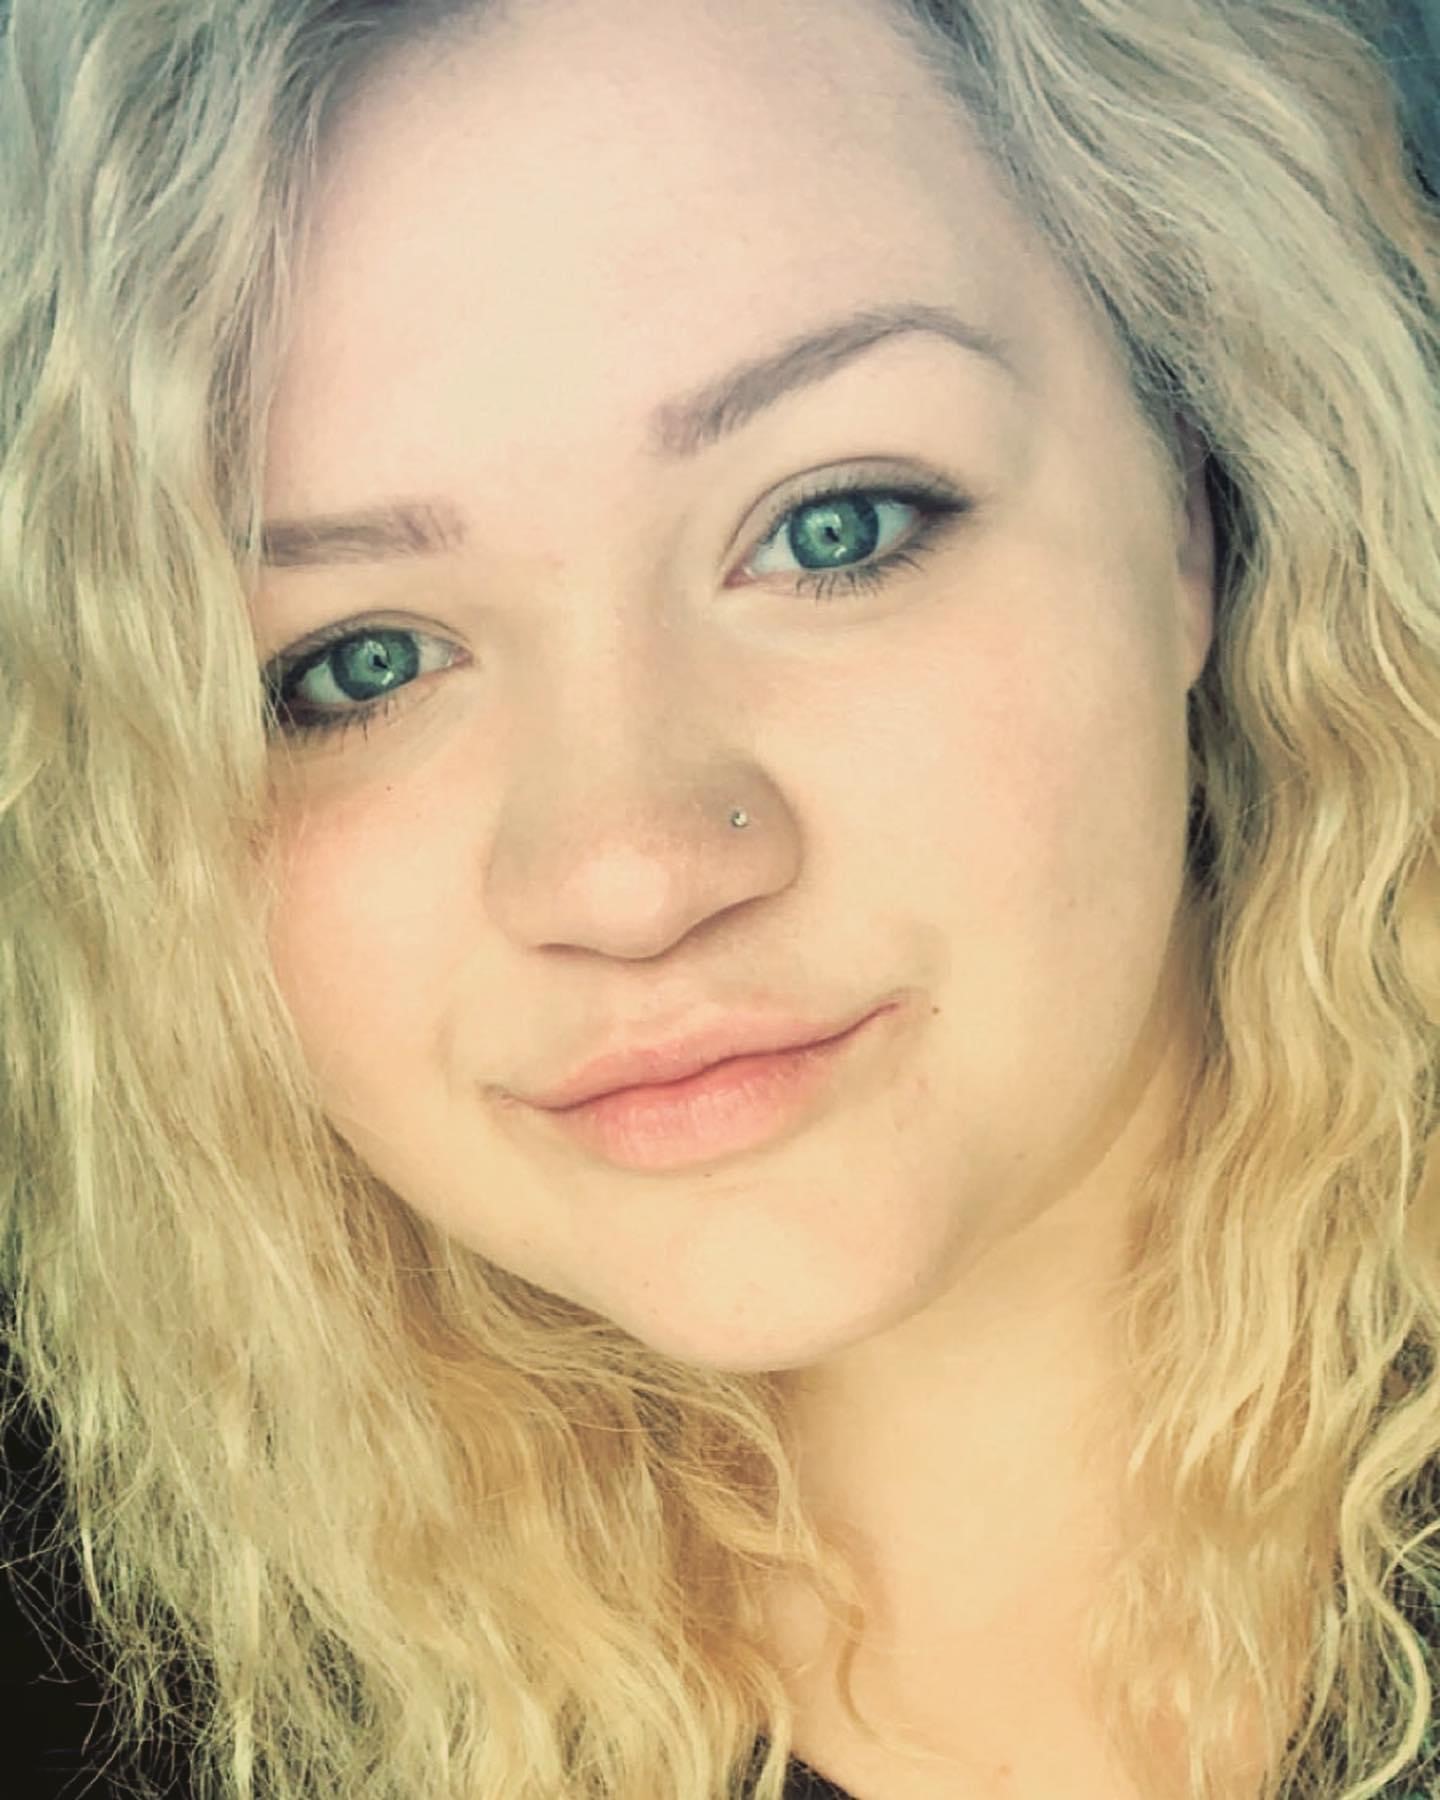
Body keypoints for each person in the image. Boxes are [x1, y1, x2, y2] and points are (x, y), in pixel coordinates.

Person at [0, 2, 1437, 1797]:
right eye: (361, 662)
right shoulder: (87, 1692)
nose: (630, 874)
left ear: (1190, 514)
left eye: (835, 525)